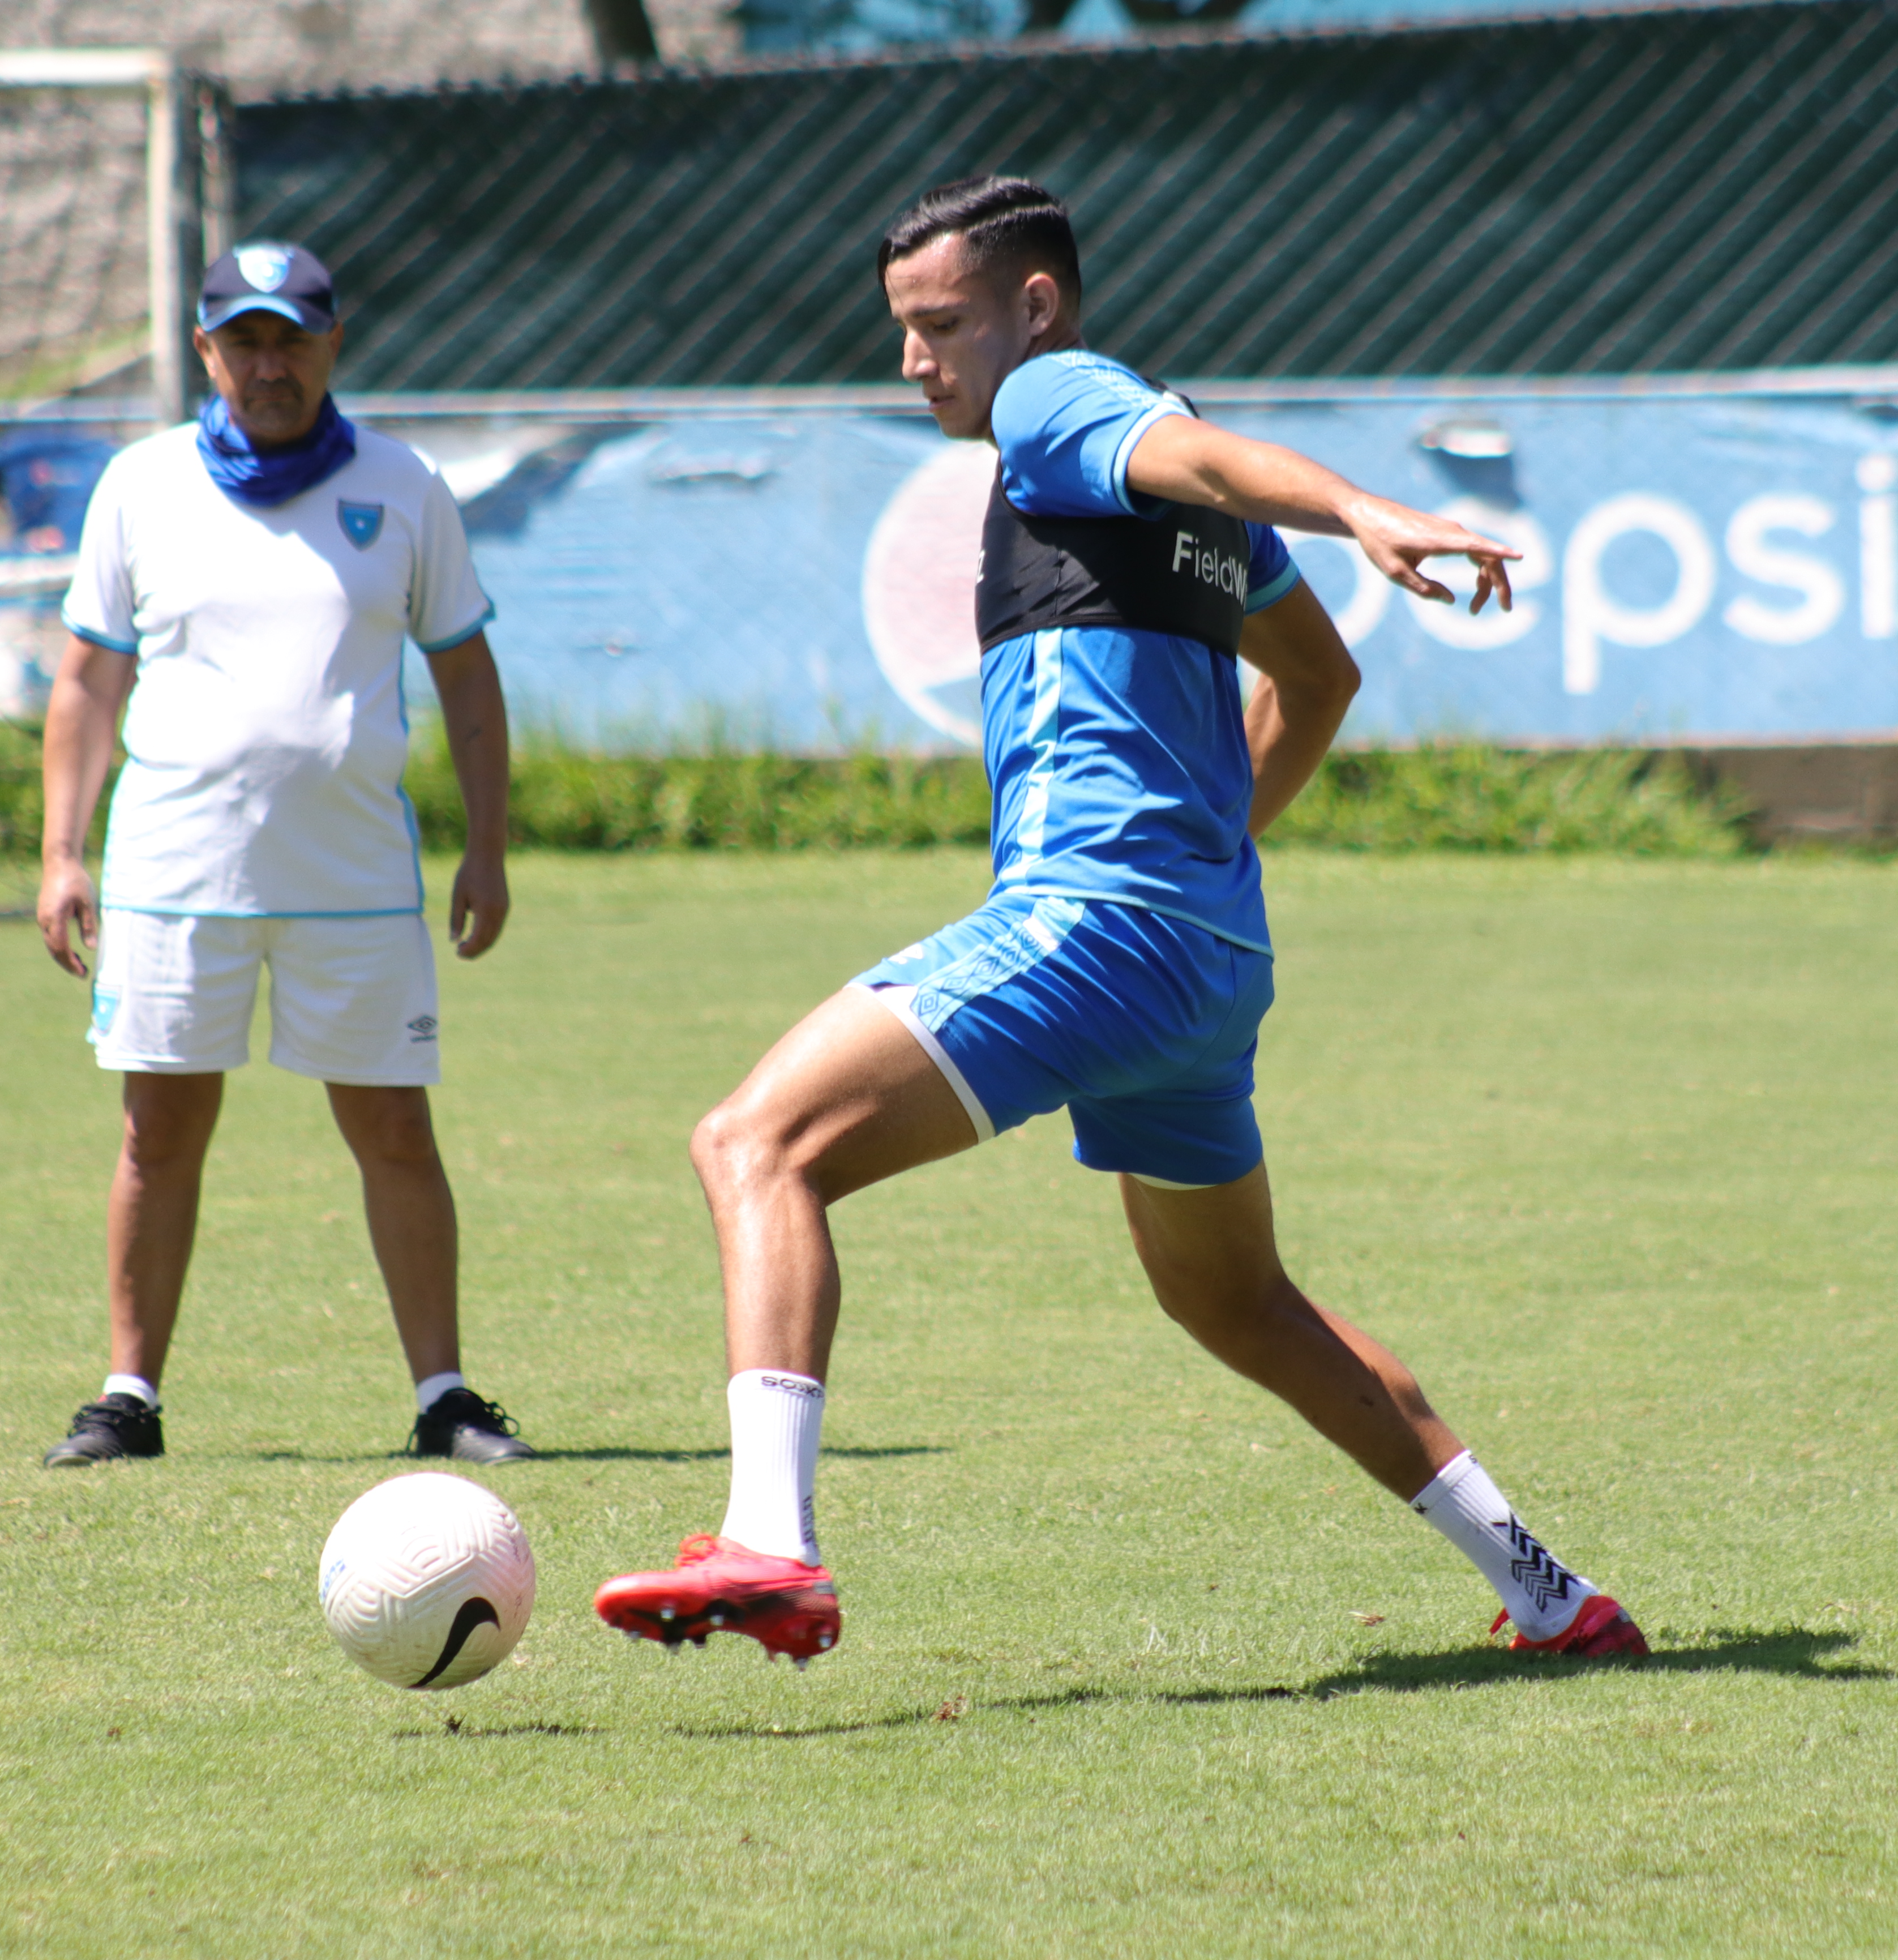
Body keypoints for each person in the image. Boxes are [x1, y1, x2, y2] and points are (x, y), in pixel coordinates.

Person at [590, 177, 1648, 1661]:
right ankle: (1554, 1594)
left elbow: (1197, 448)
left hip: (1093, 922)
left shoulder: (1057, 400)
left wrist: (1354, 507)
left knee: (755, 1144)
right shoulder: (1167, 509)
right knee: (1239, 1304)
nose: (915, 360)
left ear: (1034, 307)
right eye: (899, 330)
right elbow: (1321, 680)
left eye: (940, 323)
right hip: (1203, 962)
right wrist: (1210, 845)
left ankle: (772, 1544)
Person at [32, 239, 534, 1471]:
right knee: (159, 1131)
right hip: (173, 872)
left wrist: (488, 846)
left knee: (396, 1134)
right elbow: (88, 681)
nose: (270, 362)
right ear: (207, 351)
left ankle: (446, 1395)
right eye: (244, 340)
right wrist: (62, 851)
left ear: (333, 346)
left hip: (356, 878)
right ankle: (126, 1398)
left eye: (293, 337)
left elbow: (467, 676)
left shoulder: (406, 485)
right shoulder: (141, 486)